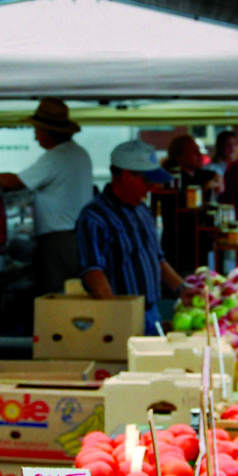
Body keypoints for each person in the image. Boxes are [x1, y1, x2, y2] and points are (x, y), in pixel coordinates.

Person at [0, 98, 93, 296]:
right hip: (72, 235)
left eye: (36, 130)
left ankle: (56, 328)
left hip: (59, 238)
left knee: (57, 294)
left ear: (48, 132)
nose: (35, 137)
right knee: (70, 292)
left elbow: (16, 182)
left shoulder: (57, 157)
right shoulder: (78, 153)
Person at [77, 140, 185, 334]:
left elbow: (158, 259)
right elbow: (93, 272)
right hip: (123, 316)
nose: (151, 187)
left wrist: (182, 289)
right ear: (126, 176)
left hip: (152, 311)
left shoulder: (142, 210)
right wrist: (115, 315)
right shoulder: (94, 217)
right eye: (147, 181)